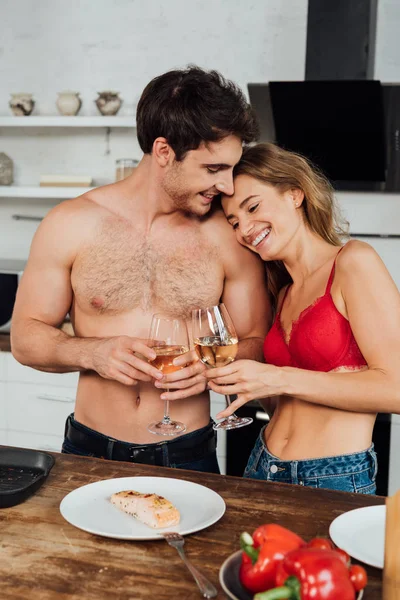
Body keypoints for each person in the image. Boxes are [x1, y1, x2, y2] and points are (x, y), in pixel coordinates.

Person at [11, 67, 271, 473]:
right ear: (164, 152)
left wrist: (209, 370)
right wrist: (91, 352)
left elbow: (258, 340)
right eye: (213, 169)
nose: (227, 187)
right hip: (88, 449)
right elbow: (25, 338)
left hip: (187, 452)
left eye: (230, 170)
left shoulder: (225, 234)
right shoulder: (70, 223)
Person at [206, 142, 400, 493]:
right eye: (234, 221)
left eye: (253, 207)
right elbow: (283, 401)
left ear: (295, 194)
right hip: (261, 463)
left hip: (333, 477)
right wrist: (247, 380)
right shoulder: (283, 292)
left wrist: (277, 377)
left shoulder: (353, 262)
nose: (245, 229)